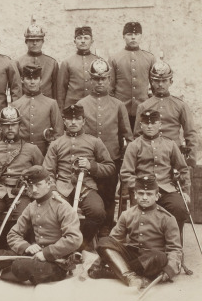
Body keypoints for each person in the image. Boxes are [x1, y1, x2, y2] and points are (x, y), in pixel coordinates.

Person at [89, 176, 182, 290]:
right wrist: (100, 260)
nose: (144, 197)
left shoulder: (167, 218)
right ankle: (131, 277)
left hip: (152, 258)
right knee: (104, 241)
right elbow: (114, 240)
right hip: (132, 255)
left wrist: (170, 269)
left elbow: (175, 249)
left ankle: (114, 272)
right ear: (135, 194)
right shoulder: (127, 214)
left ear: (157, 196)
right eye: (141, 193)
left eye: (149, 194)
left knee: (160, 257)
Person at [43, 104, 115, 250]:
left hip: (86, 188)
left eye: (77, 119)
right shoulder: (56, 144)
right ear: (64, 121)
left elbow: (110, 167)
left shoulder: (94, 142)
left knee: (97, 212)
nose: (73, 122)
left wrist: (91, 166)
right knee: (53, 212)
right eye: (70, 119)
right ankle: (58, 246)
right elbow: (47, 171)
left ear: (83, 121)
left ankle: (81, 244)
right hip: (62, 189)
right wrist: (53, 190)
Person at [76, 58, 133, 235]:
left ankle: (106, 229)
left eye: (103, 79)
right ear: (91, 80)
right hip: (89, 160)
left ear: (109, 80)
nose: (100, 82)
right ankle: (89, 230)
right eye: (96, 79)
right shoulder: (81, 104)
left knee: (108, 197)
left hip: (111, 159)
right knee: (90, 196)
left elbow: (127, 135)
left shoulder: (118, 105)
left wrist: (126, 157)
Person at [0, 106, 44, 251]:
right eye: (6, 126)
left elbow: (42, 174)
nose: (10, 129)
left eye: (13, 125)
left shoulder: (31, 149)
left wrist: (33, 191)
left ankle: (19, 250)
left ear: (19, 125)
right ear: (1, 127)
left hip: (22, 192)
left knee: (23, 218)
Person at [120, 109, 189, 233]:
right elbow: (126, 173)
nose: (150, 126)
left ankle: (175, 247)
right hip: (143, 190)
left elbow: (183, 169)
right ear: (141, 125)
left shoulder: (170, 144)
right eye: (146, 123)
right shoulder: (134, 146)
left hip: (166, 189)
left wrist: (185, 191)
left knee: (179, 208)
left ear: (160, 125)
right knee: (141, 218)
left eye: (153, 123)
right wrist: (139, 188)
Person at [134, 60, 198, 167]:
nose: (160, 84)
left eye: (164, 81)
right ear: (152, 82)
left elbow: (190, 134)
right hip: (149, 157)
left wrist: (190, 161)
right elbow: (137, 136)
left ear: (171, 82)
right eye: (157, 81)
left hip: (174, 156)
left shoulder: (181, 105)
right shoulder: (143, 106)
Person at [108, 22, 155, 129]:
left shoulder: (150, 58)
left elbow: (154, 87)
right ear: (123, 36)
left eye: (137, 34)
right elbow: (110, 88)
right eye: (129, 34)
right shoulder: (115, 58)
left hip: (143, 109)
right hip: (121, 110)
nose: (133, 37)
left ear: (141, 36)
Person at [12, 64, 64, 155]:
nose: (32, 82)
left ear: (41, 80)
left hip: (45, 152)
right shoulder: (16, 105)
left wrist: (52, 153)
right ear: (22, 80)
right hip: (22, 153)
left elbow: (58, 133)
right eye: (28, 79)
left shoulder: (51, 103)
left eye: (35, 79)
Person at [57, 26, 99, 110]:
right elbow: (61, 89)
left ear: (92, 41)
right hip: (73, 106)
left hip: (94, 105)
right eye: (79, 38)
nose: (83, 41)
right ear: (74, 41)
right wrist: (61, 109)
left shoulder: (98, 61)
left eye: (86, 38)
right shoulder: (67, 62)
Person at [16, 19, 58, 99]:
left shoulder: (52, 63)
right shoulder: (18, 62)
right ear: (26, 42)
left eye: (38, 40)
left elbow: (56, 88)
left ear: (43, 42)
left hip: (46, 103)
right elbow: (17, 88)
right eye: (31, 40)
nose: (35, 43)